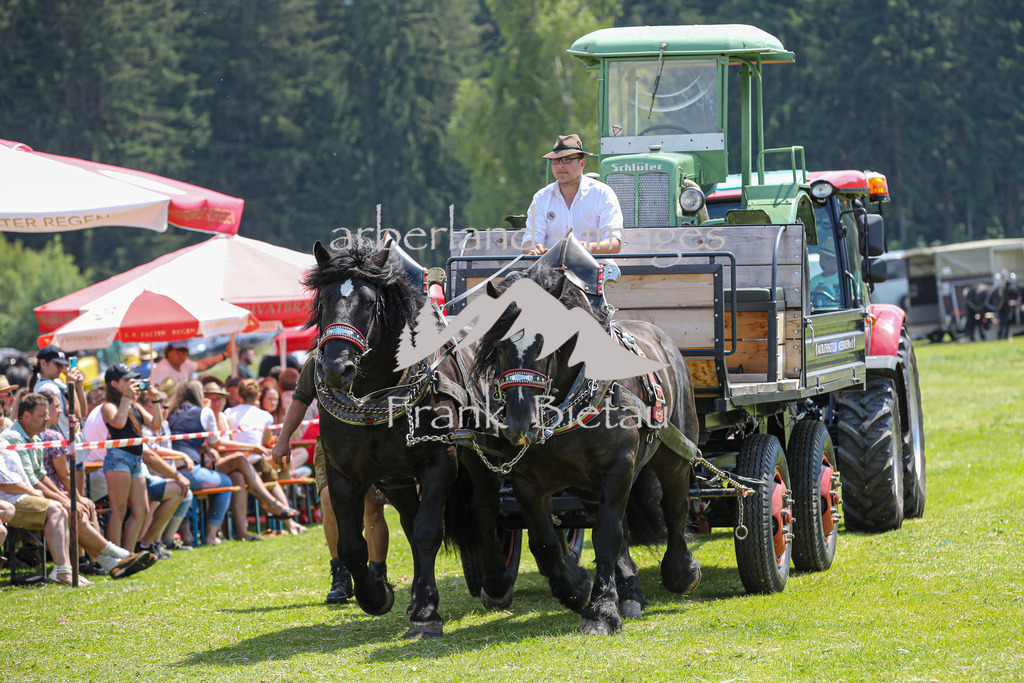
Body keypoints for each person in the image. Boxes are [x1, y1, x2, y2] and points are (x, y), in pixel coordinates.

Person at [272, 358, 389, 603]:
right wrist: (283, 440)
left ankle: (377, 576)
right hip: (331, 443)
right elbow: (301, 398)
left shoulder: (371, 350)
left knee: (372, 509)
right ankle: (341, 576)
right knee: (329, 503)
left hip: (372, 441)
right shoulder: (317, 359)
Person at [1, 413, 156, 583]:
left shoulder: (19, 439)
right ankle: (114, 555)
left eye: (1, 414)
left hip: (24, 495)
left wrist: (71, 498)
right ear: (26, 416)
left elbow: (39, 476)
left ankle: (110, 563)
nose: (54, 414)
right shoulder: (14, 436)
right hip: (14, 498)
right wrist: (67, 499)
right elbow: (35, 480)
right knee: (66, 509)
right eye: (44, 412)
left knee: (79, 509)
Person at [203, 380, 298, 540]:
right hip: (215, 463)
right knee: (259, 467)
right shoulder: (207, 416)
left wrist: (247, 449)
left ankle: (242, 532)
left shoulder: (226, 416)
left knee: (241, 475)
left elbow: (230, 442)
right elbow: (216, 445)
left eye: (220, 398)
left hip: (236, 463)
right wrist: (250, 448)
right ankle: (275, 507)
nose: (217, 402)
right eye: (212, 399)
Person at [523, 133, 623, 256]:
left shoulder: (603, 193)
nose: (561, 165)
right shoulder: (541, 198)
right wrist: (534, 249)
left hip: (596, 269)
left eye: (567, 160)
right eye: (555, 160)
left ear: (582, 164)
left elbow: (614, 243)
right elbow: (530, 241)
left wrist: (588, 247)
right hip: (552, 271)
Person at [100, 363, 162, 552]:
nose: (132, 383)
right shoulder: (108, 406)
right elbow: (118, 423)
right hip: (118, 459)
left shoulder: (133, 404)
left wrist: (156, 401)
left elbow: (156, 424)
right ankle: (115, 556)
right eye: (126, 380)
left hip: (135, 460)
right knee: (119, 511)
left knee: (141, 510)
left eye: (132, 380)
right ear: (114, 383)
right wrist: (127, 396)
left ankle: (128, 554)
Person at [31, 344, 87, 435]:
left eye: (62, 365)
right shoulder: (46, 387)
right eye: (57, 364)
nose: (61, 368)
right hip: (62, 441)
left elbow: (83, 413)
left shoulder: (57, 383)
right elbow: (77, 416)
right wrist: (70, 385)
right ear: (43, 363)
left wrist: (79, 387)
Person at [150, 339, 233, 387]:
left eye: (184, 351)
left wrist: (225, 355)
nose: (181, 354)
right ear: (168, 352)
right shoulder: (162, 370)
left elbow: (203, 365)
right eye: (177, 351)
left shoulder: (184, 364)